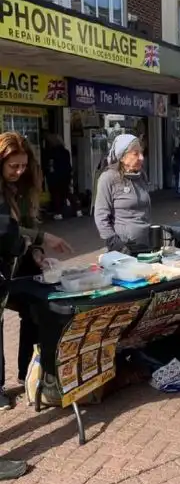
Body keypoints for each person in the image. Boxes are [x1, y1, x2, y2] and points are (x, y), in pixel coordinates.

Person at [0, 132, 71, 412]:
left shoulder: (25, 185)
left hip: (17, 261)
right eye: (12, 166)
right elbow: (7, 230)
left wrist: (38, 253)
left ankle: (28, 371)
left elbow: (26, 224)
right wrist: (43, 238)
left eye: (22, 166)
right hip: (4, 263)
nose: (19, 171)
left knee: (34, 310)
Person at [94, 134, 153, 254]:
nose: (141, 157)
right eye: (136, 154)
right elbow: (101, 216)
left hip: (145, 244)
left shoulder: (141, 175)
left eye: (141, 153)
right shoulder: (108, 178)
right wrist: (115, 243)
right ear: (122, 157)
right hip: (123, 247)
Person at [43, 134, 77, 220]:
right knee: (67, 192)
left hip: (56, 175)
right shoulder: (66, 151)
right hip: (66, 174)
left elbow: (51, 165)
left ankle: (58, 213)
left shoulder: (51, 152)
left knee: (56, 194)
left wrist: (48, 174)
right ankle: (77, 209)